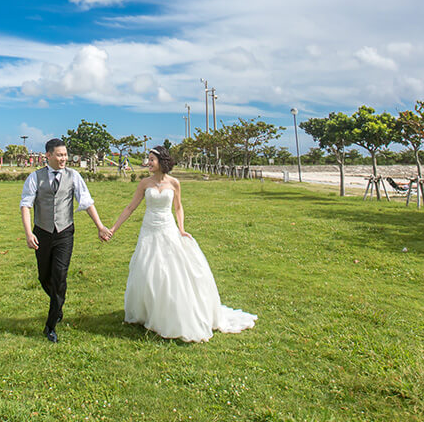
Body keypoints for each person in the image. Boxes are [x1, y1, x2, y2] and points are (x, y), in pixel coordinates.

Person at [108, 144, 256, 342]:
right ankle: (148, 310)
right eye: (148, 159)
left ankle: (171, 308)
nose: (148, 162)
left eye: (152, 159)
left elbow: (178, 207)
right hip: (149, 230)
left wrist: (181, 228)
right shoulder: (144, 183)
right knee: (147, 268)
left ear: (162, 161)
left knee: (169, 270)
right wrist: (113, 229)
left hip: (167, 228)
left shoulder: (174, 183)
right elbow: (130, 207)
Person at [20, 138, 112, 343]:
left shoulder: (74, 176)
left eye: (65, 155)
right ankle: (58, 304)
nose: (64, 159)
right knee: (44, 277)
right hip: (42, 232)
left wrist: (100, 226)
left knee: (60, 276)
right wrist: (28, 233)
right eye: (59, 155)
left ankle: (51, 325)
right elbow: (26, 205)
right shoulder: (35, 177)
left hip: (64, 233)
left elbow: (86, 202)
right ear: (48, 156)